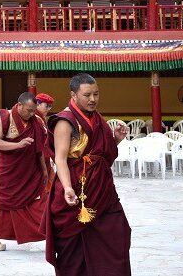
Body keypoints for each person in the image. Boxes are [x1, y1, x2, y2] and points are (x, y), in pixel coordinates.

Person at [43, 73, 131, 275]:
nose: (93, 99)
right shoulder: (64, 121)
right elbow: (61, 159)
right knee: (74, 251)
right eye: (87, 95)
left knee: (118, 234)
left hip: (102, 191)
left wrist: (115, 139)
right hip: (76, 190)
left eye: (96, 94)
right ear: (73, 95)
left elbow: (100, 155)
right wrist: (66, 188)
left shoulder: (97, 118)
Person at [0, 92, 48, 251]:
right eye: (28, 110)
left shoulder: (36, 121)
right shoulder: (5, 118)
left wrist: (45, 170)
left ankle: (44, 231)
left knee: (37, 202)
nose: (32, 113)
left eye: (34, 110)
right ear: (19, 105)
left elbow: (40, 149)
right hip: (10, 172)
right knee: (4, 204)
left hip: (30, 171)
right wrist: (18, 145)